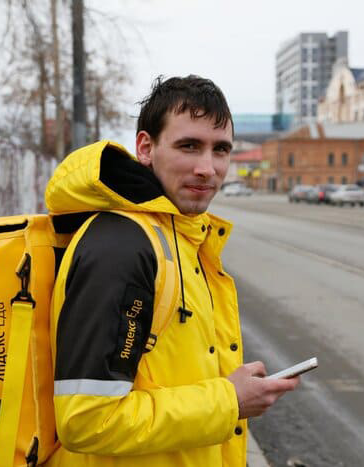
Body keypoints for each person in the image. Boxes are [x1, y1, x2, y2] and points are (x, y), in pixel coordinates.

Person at [43, 75, 299, 466]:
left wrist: (230, 392)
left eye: (221, 149)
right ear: (146, 148)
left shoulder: (184, 237)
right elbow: (87, 421)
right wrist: (230, 399)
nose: (207, 168)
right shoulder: (121, 247)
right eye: (189, 146)